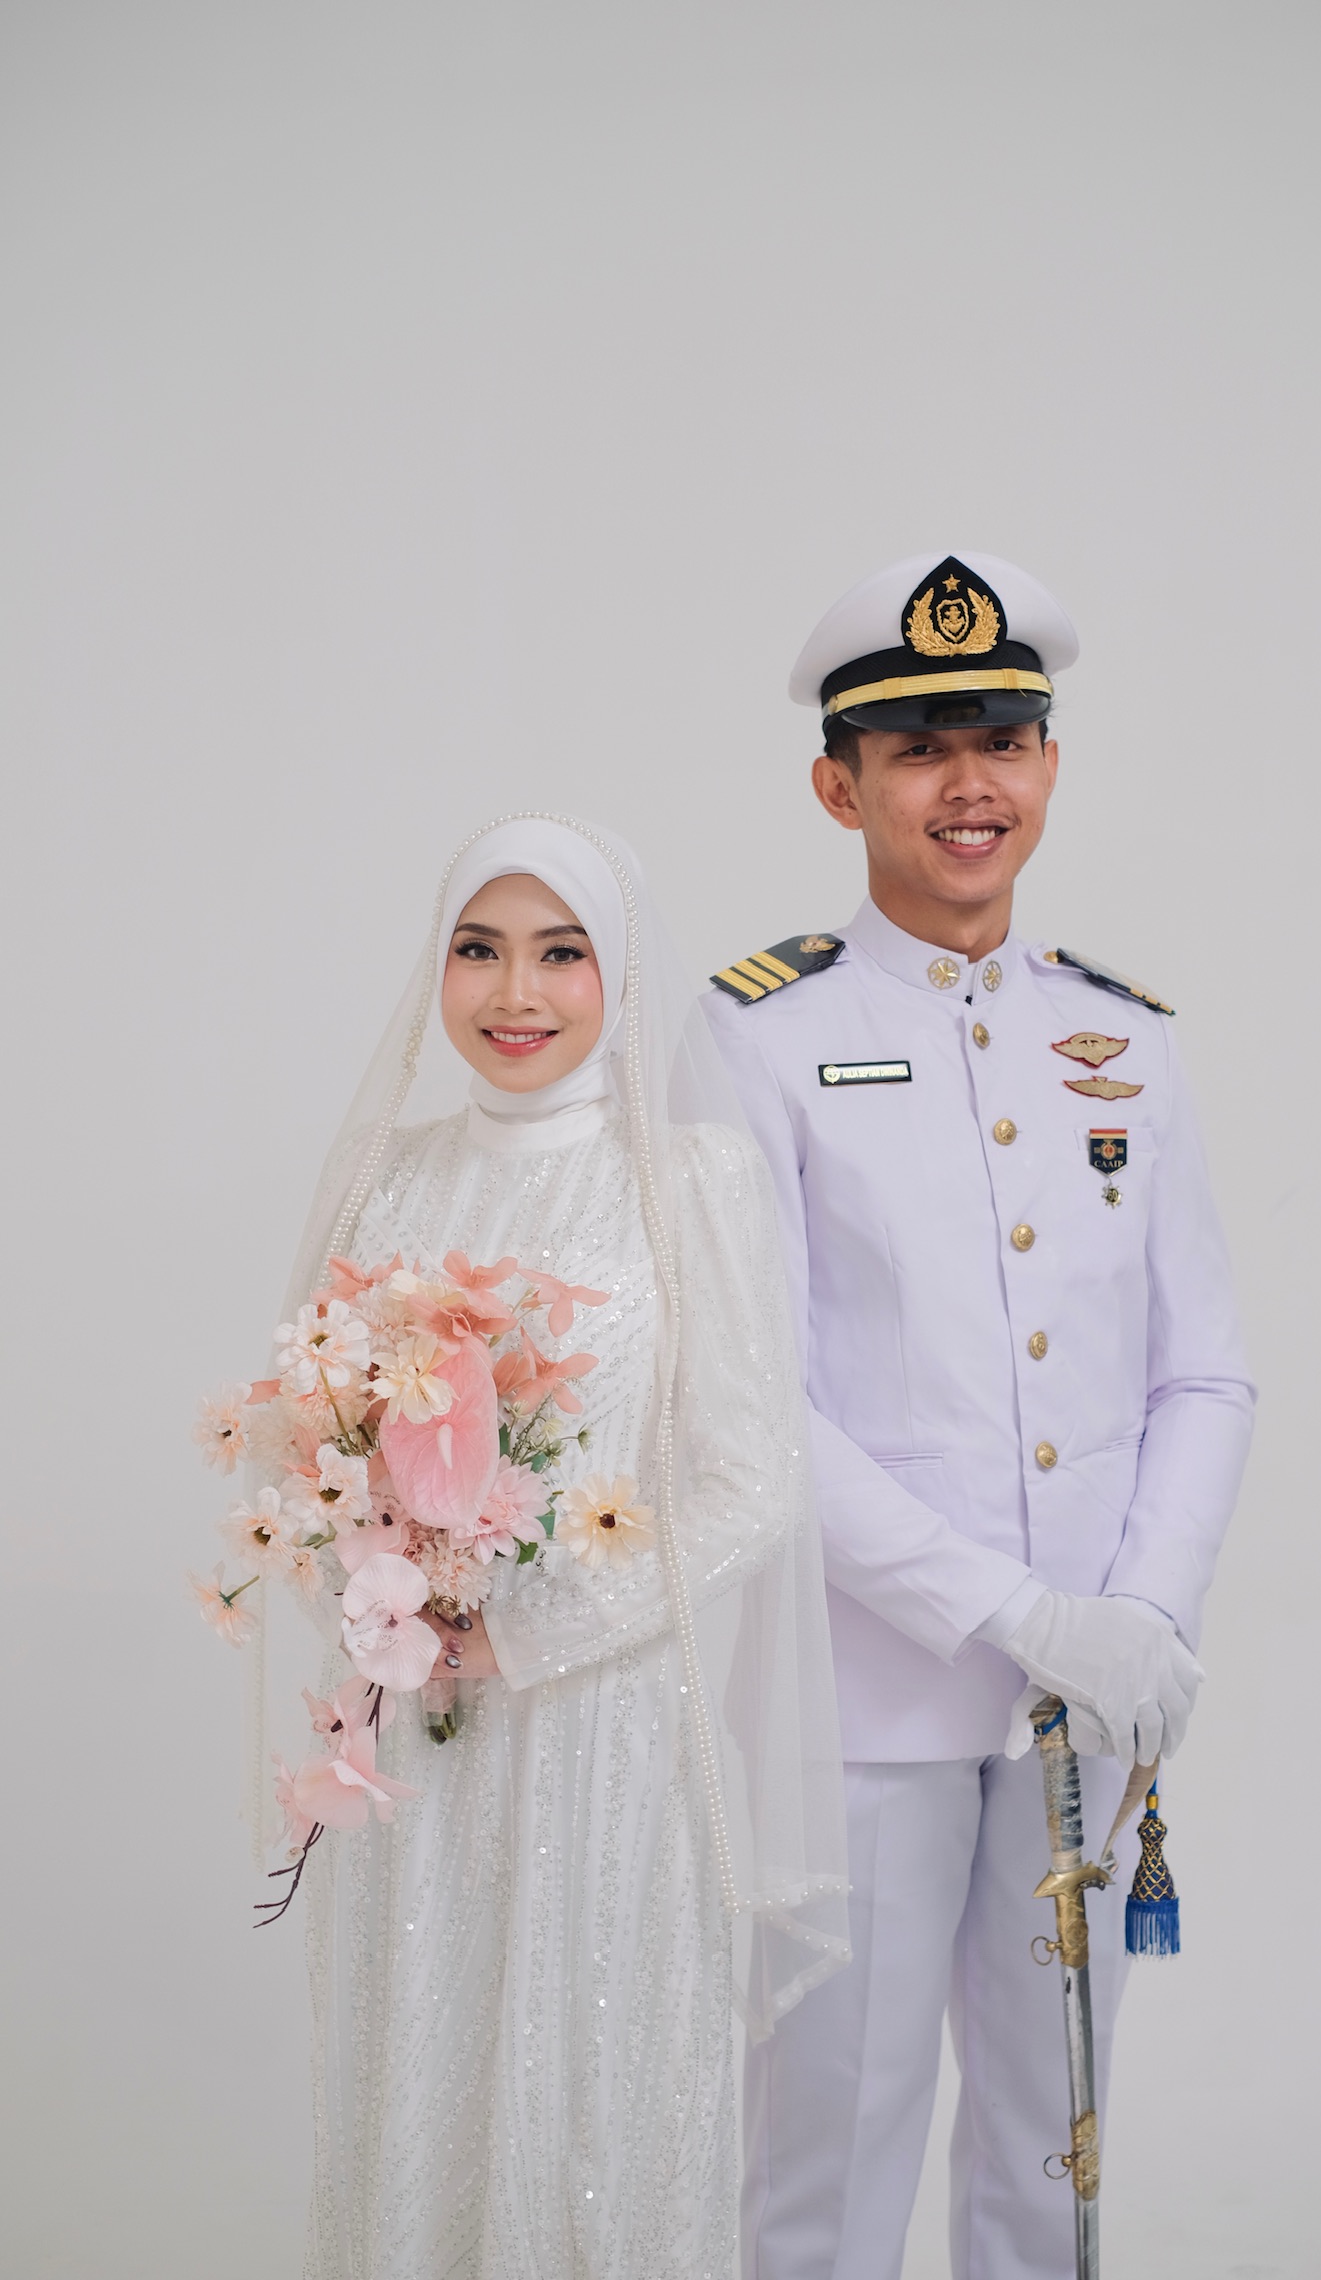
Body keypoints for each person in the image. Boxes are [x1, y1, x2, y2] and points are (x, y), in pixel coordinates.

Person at [703, 553, 1256, 2280]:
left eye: (1003, 741)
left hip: (1091, 1701)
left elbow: (1203, 1369)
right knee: (832, 2156)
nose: (970, 785)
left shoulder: (1124, 1042)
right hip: (863, 1704)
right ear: (839, 786)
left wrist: (1140, 1616)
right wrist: (1020, 1614)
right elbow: (755, 1409)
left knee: (1052, 2152)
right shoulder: (761, 1038)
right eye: (921, 748)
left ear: (1050, 765)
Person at [276, 814, 848, 2280]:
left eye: (562, 952)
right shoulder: (387, 1177)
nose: (515, 992)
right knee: (419, 2079)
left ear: (623, 972)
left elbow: (754, 1482)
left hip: (606, 1732)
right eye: (479, 949)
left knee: (590, 2100)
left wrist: (523, 1633)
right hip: (422, 1737)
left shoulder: (688, 1179)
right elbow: (318, 1439)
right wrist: (387, 1600)